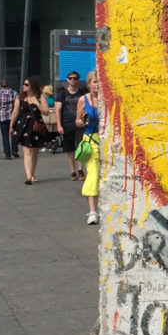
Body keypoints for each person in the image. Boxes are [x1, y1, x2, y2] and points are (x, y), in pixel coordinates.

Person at [76, 70, 103, 225]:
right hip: (90, 139)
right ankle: (92, 211)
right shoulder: (83, 99)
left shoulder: (106, 99)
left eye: (99, 82)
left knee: (104, 175)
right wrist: (84, 120)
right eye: (95, 82)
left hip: (105, 140)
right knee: (93, 172)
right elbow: (77, 122)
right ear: (89, 84)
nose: (97, 85)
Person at [10, 76, 49, 184]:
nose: (23, 86)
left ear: (32, 86)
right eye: (23, 84)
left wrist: (37, 103)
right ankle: (29, 176)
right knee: (27, 152)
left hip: (36, 126)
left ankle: (32, 173)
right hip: (23, 126)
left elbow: (46, 112)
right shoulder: (20, 97)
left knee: (35, 152)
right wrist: (11, 125)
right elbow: (15, 112)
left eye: (26, 84)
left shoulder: (40, 97)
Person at [56, 70, 88, 181]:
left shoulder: (82, 93)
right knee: (70, 150)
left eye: (74, 78)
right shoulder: (62, 94)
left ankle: (80, 169)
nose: (72, 80)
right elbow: (57, 110)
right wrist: (59, 125)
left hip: (80, 124)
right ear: (67, 80)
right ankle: (72, 171)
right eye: (70, 78)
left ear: (78, 80)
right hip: (67, 124)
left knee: (81, 147)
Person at [0, 79, 18, 159]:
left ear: (0, 85)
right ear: (8, 85)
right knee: (13, 133)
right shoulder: (14, 93)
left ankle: (7, 154)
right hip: (13, 116)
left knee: (5, 136)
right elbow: (18, 103)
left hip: (2, 116)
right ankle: (14, 150)